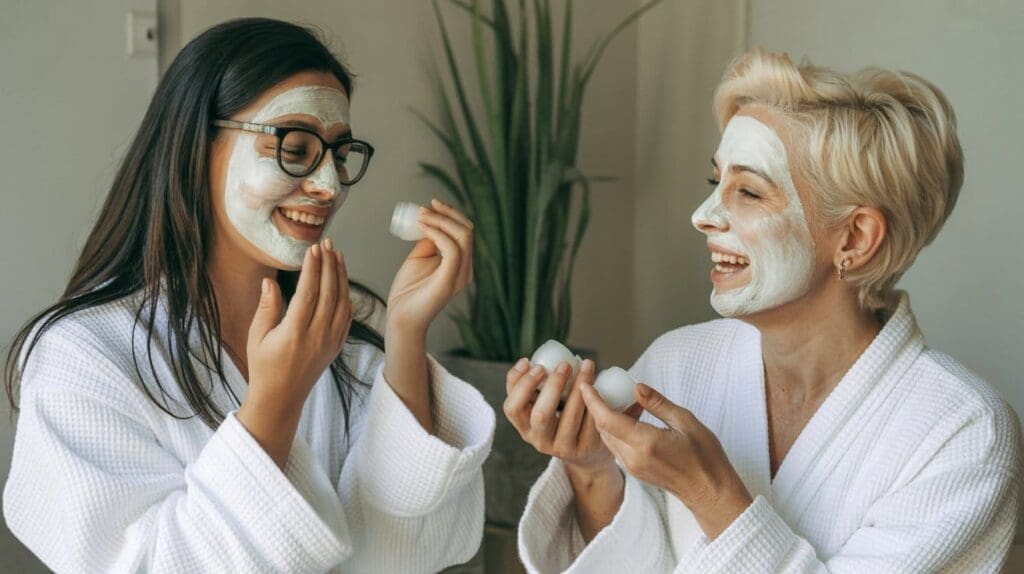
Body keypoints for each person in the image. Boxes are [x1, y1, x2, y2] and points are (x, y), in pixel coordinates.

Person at [3, 18, 493, 573]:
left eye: (339, 153)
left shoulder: (352, 323)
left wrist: (404, 334)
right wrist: (275, 403)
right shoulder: (82, 356)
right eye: (295, 146)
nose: (329, 185)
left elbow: (400, 557)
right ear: (197, 144)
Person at [506, 48, 1022, 572]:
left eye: (749, 192)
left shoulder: (962, 432)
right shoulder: (678, 363)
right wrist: (592, 467)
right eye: (716, 184)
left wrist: (710, 494)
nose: (703, 216)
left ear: (855, 238)